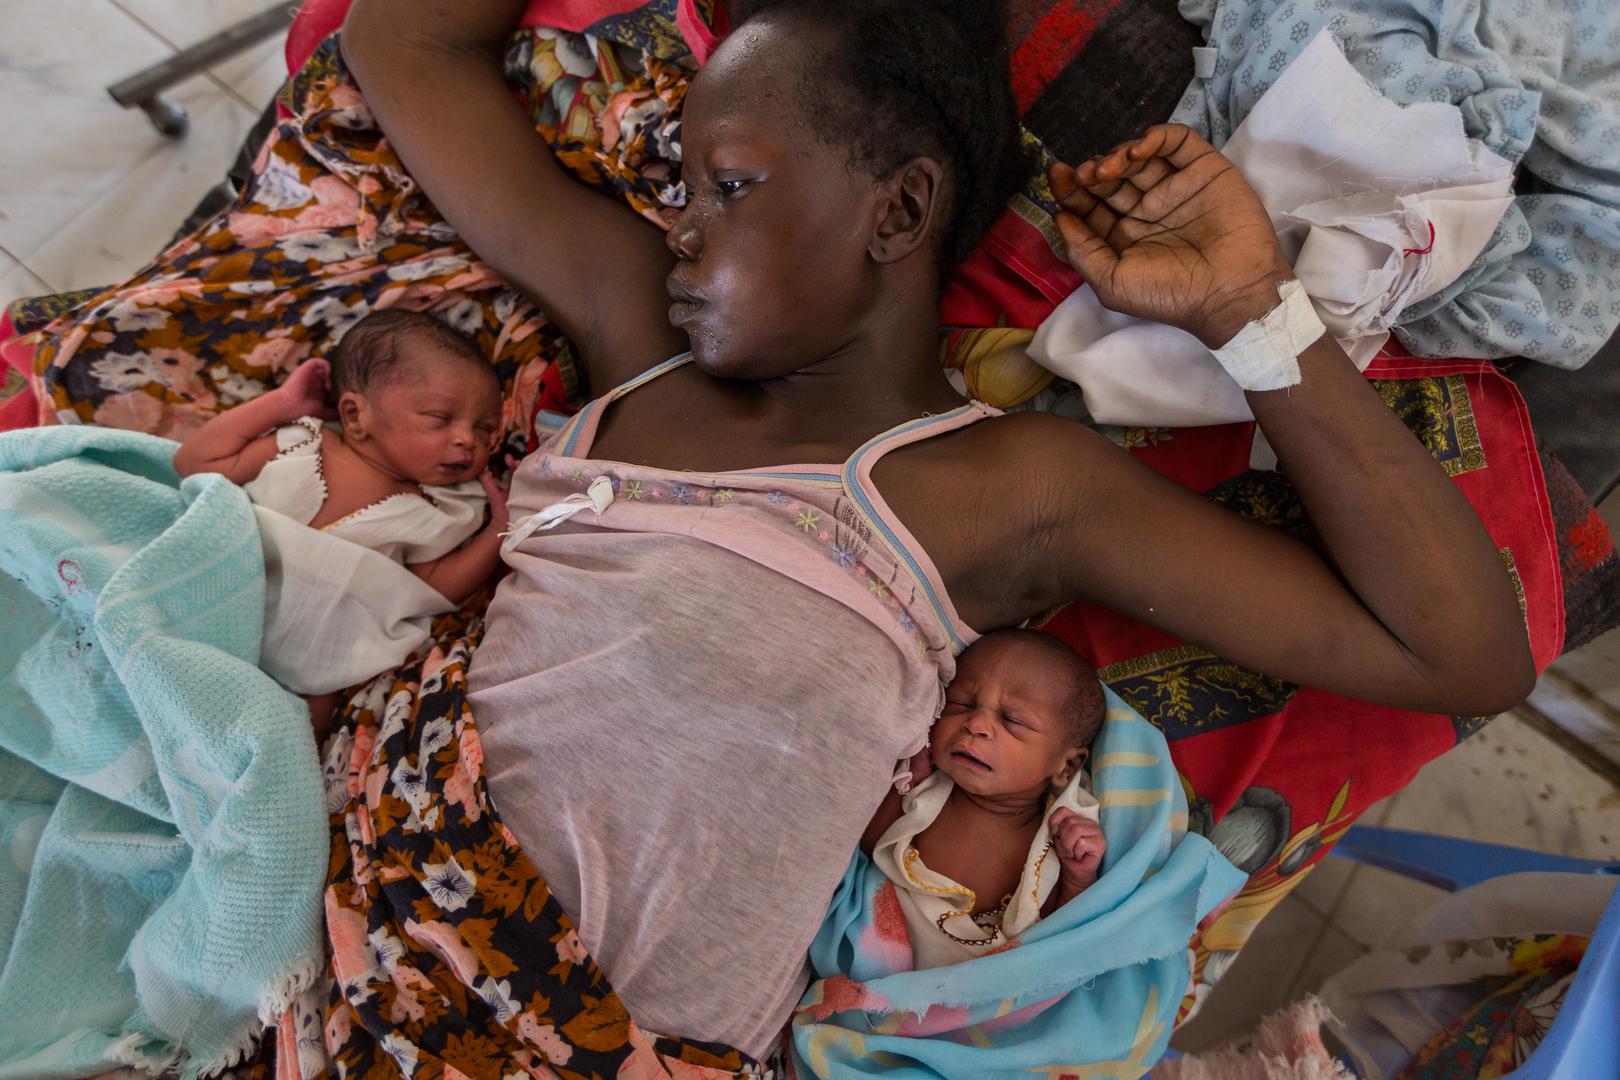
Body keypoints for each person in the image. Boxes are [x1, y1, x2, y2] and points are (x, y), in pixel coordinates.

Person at [341, 0, 1535, 1057]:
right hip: (358, 897)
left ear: (899, 207)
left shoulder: (1001, 486)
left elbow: (1462, 652)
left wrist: (1251, 311)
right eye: (683, 191)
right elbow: (401, 36)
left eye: (729, 185)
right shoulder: (643, 351)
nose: (685, 227)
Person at [172, 308, 509, 717]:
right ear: (354, 415)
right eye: (440, 418)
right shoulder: (303, 444)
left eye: (485, 428)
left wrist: (500, 529)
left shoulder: (443, 507)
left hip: (311, 661)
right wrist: (281, 404)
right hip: (210, 605)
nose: (466, 439)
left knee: (309, 714)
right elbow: (195, 462)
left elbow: (434, 589)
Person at [861, 629, 1109, 969]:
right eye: (962, 703)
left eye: (1012, 720)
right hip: (878, 962)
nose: (975, 724)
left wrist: (1079, 877)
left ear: (1066, 766)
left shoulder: (1056, 839)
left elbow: (1064, 939)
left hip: (982, 989)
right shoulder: (922, 791)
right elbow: (868, 844)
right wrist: (899, 784)